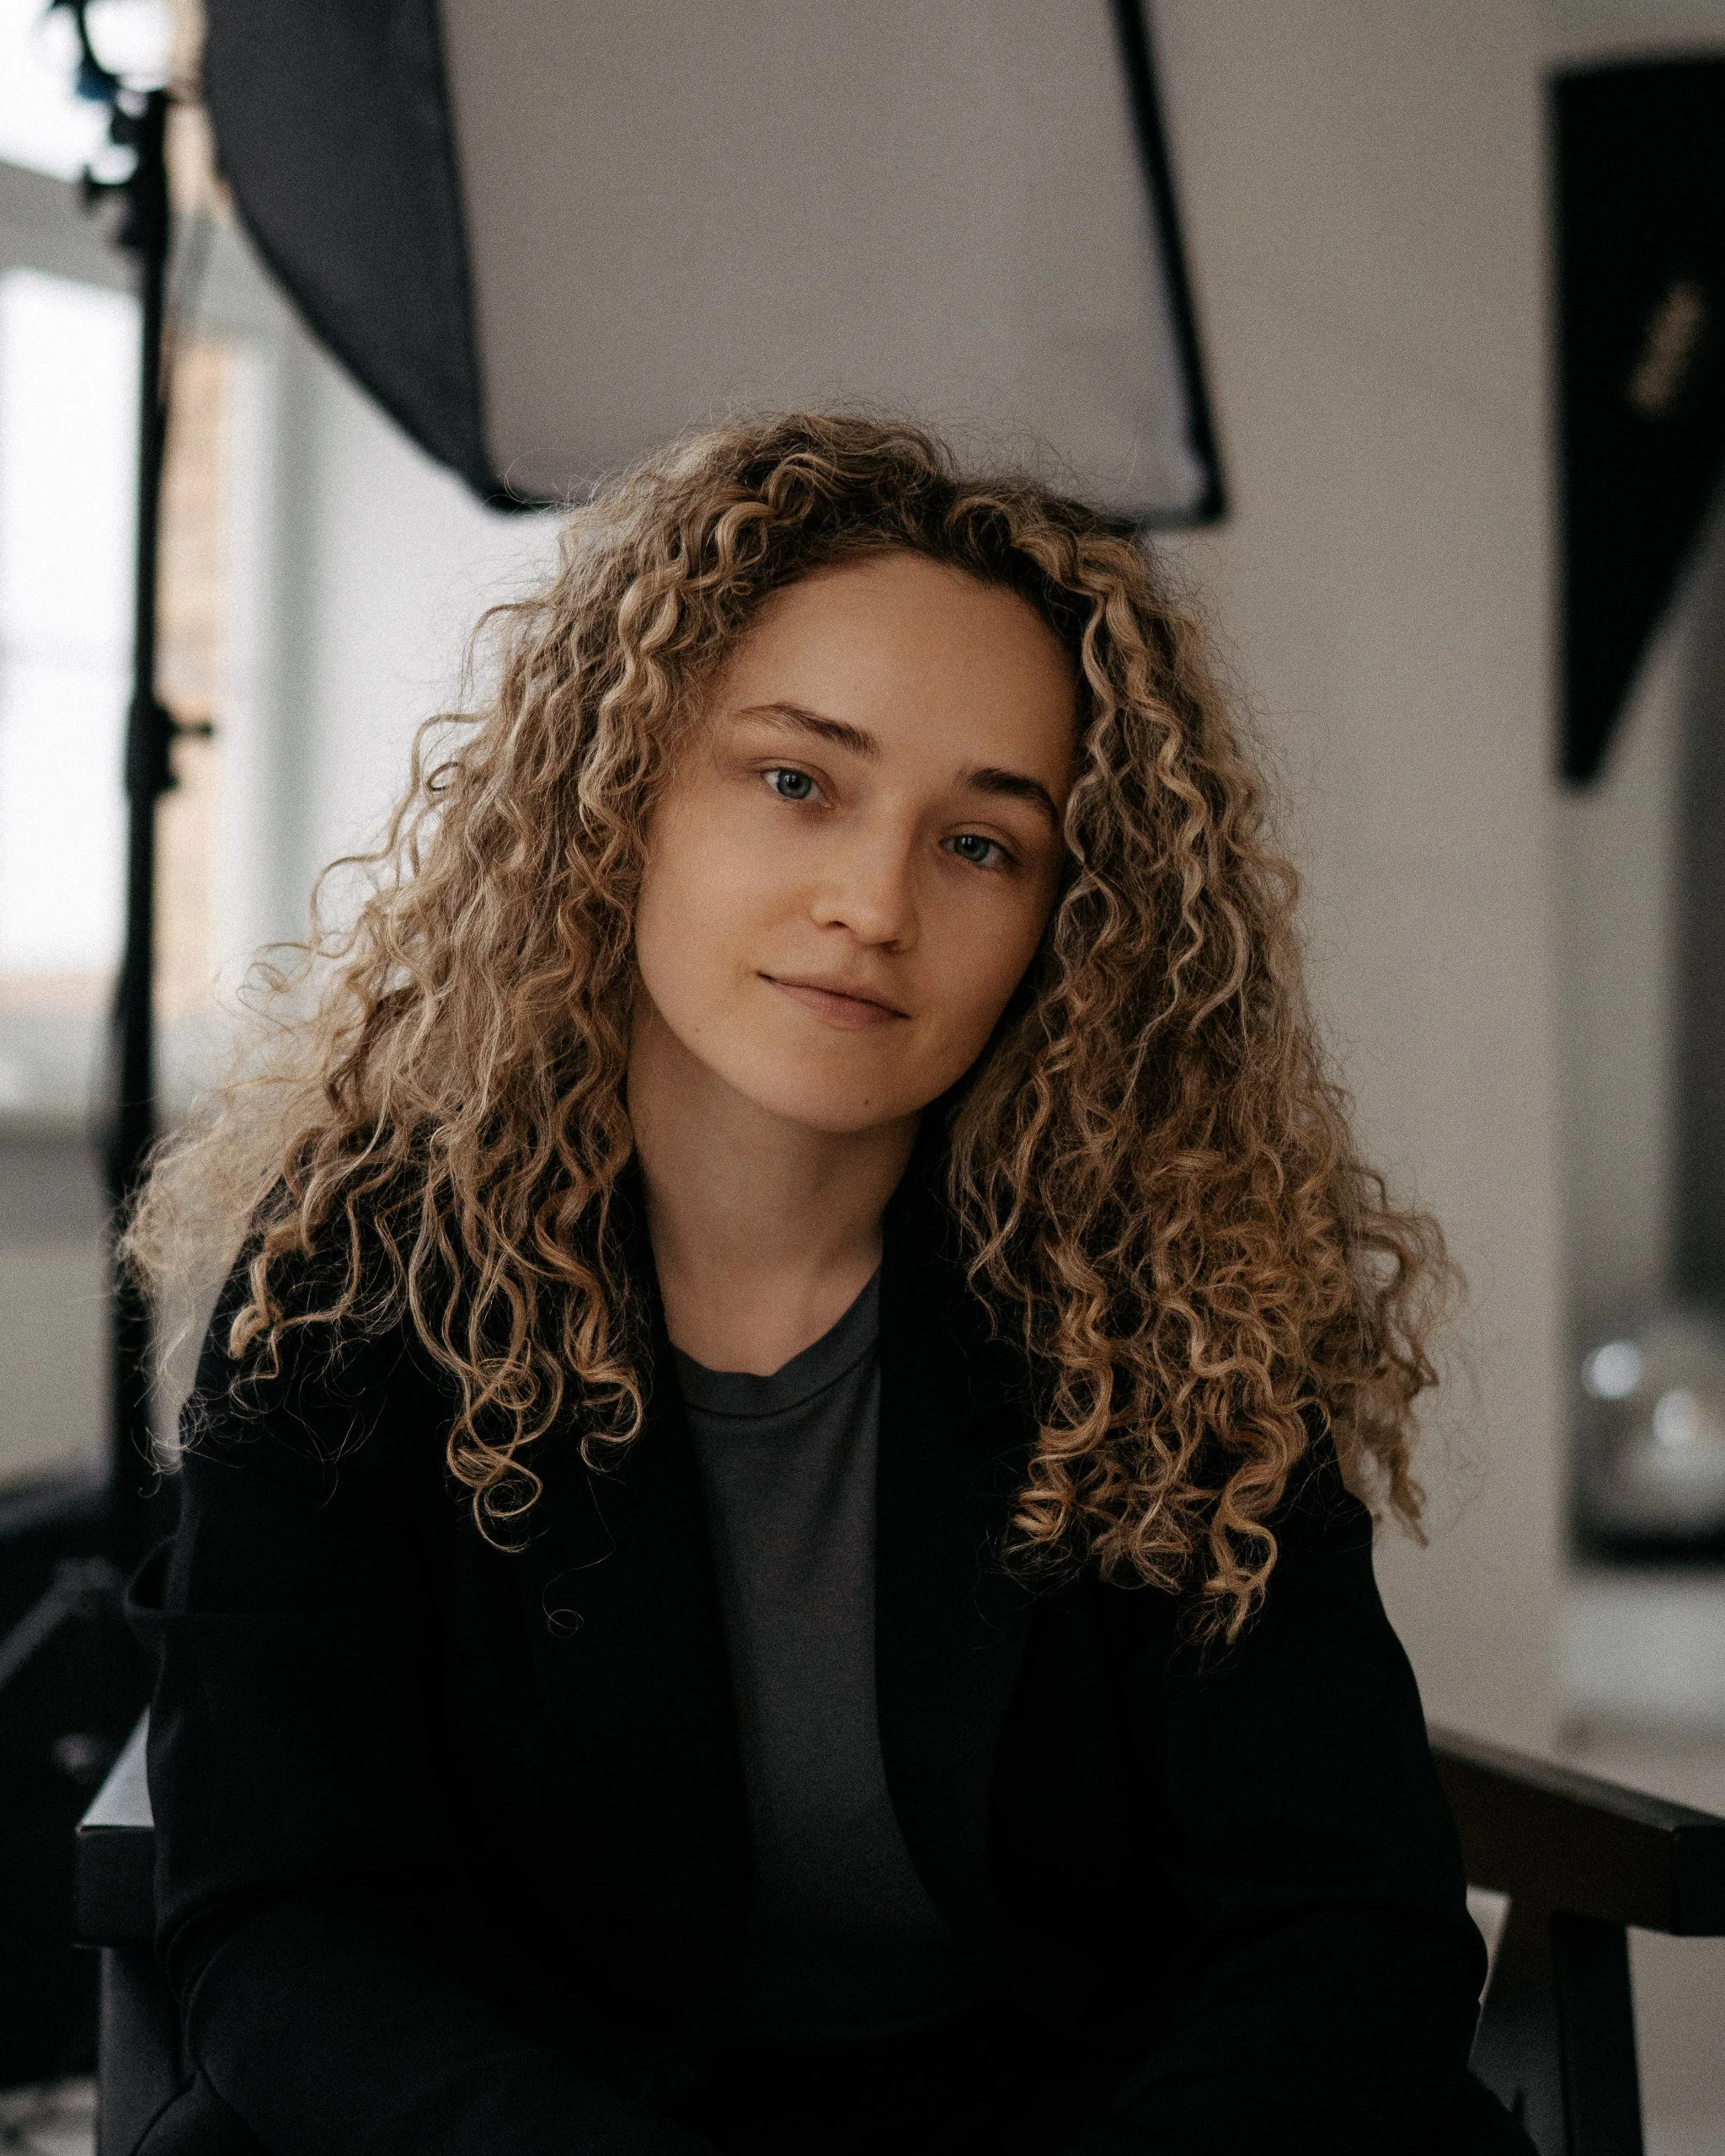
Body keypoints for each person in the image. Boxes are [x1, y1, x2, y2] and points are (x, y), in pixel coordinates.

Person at [124, 414, 1533, 2155]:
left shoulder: (1175, 1295)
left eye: (983, 842)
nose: (874, 902)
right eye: (797, 780)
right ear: (620, 788)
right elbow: (287, 1916)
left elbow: (1341, 1924)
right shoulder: (359, 1275)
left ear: (1071, 918)